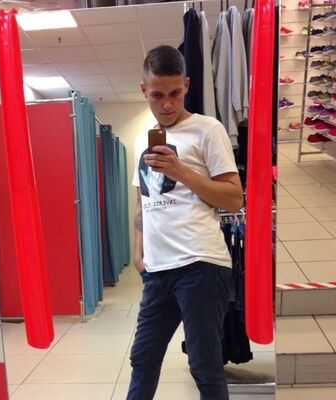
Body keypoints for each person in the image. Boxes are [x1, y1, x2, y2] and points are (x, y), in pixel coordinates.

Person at [128, 45, 243, 400]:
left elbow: (234, 198)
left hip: (201, 265)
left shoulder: (208, 129)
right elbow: (143, 200)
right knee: (142, 359)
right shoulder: (143, 140)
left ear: (187, 86)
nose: (167, 104)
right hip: (157, 271)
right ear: (144, 90)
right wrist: (138, 250)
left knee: (204, 366)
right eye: (157, 95)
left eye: (175, 93)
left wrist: (182, 172)